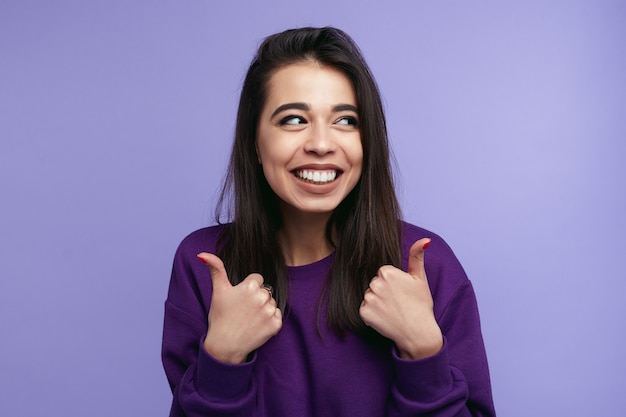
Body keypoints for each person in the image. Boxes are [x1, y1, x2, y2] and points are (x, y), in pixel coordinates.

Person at [162, 26, 495, 417]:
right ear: (254, 141)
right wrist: (222, 359)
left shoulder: (425, 267)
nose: (321, 144)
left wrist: (423, 351)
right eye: (293, 120)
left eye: (346, 121)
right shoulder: (205, 266)